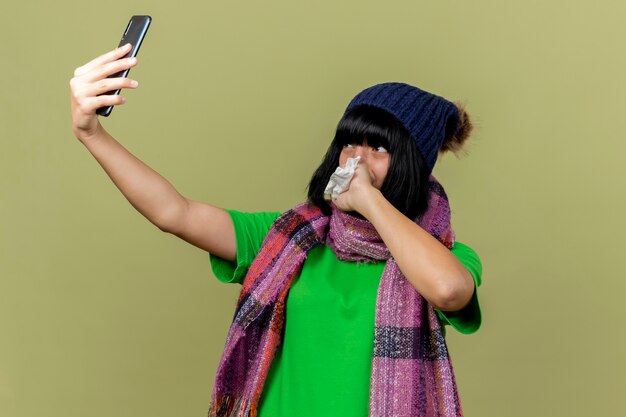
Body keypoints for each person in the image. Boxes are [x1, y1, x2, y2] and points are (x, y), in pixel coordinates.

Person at [70, 44, 483, 417]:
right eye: (349, 143)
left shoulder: (443, 256)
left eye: (378, 148)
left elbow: (448, 290)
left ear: (412, 164)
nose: (355, 160)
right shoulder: (287, 239)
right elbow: (174, 212)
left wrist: (370, 202)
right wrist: (91, 134)